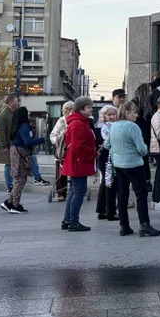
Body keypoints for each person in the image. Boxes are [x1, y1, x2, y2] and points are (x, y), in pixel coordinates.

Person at [106, 101, 160, 237]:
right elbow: (142, 149)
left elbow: (107, 144)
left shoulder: (114, 126)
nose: (136, 115)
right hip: (134, 165)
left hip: (118, 165)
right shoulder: (132, 127)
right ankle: (144, 225)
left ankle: (124, 226)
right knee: (141, 194)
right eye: (134, 112)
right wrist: (144, 152)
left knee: (123, 194)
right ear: (128, 112)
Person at [61, 96, 97, 231]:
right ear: (81, 109)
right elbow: (78, 146)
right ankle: (73, 222)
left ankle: (67, 219)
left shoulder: (79, 122)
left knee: (74, 191)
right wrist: (94, 153)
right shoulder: (78, 123)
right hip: (78, 162)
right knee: (79, 191)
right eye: (89, 107)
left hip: (75, 161)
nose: (91, 109)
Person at [3, 107, 44, 214]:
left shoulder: (16, 126)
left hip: (15, 152)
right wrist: (41, 140)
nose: (30, 114)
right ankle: (15, 205)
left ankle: (9, 202)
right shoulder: (24, 126)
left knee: (18, 178)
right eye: (28, 112)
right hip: (21, 153)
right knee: (20, 179)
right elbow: (27, 142)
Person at [95, 105, 119, 221]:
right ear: (104, 116)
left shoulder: (117, 126)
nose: (112, 117)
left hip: (112, 157)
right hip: (105, 157)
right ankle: (110, 211)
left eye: (114, 114)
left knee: (106, 183)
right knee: (109, 183)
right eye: (109, 114)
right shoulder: (100, 128)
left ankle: (102, 210)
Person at [51, 101, 76, 202]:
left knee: (75, 171)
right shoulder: (61, 121)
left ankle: (75, 190)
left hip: (73, 149)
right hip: (62, 150)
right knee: (61, 172)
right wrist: (61, 138)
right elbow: (52, 136)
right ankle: (61, 193)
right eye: (68, 110)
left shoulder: (76, 121)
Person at [0, 95, 20, 192]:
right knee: (8, 164)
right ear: (11, 103)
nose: (18, 103)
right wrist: (4, 146)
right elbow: (0, 131)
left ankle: (13, 184)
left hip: (15, 143)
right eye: (16, 101)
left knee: (13, 164)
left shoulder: (15, 113)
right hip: (8, 143)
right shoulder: (3, 115)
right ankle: (9, 186)